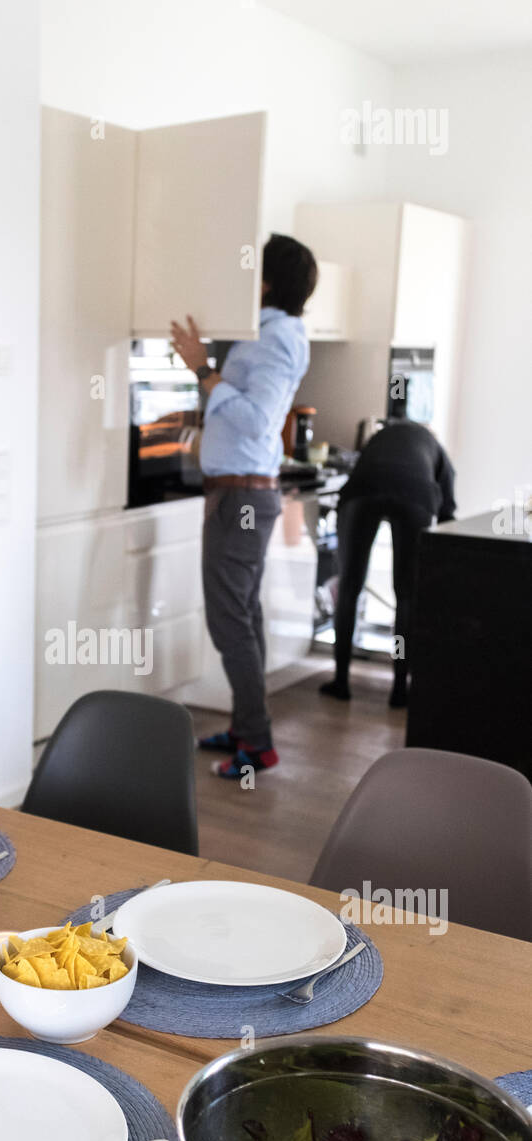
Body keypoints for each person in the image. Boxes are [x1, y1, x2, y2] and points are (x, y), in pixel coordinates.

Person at [170, 232, 317, 779]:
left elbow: (258, 419)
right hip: (239, 494)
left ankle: (257, 745)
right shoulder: (272, 334)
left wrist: (204, 371)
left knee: (229, 620)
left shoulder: (275, 340)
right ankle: (245, 729)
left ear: (267, 281)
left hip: (242, 498)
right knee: (243, 617)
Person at [319, 397, 456, 709]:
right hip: (414, 496)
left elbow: (357, 472)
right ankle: (399, 689)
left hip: (363, 490)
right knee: (406, 595)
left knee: (350, 586)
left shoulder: (383, 435)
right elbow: (448, 512)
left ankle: (341, 682)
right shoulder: (434, 447)